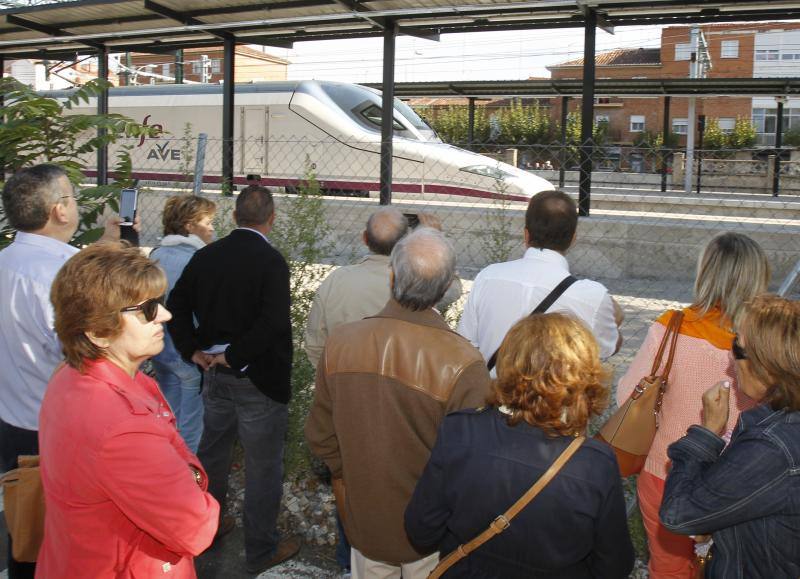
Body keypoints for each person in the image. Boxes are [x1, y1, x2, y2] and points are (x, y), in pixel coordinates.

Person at [305, 227, 491, 579]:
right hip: (433, 534)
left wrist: (347, 482)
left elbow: (320, 435)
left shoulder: (342, 343)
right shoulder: (464, 361)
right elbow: (473, 466)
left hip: (364, 523)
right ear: (447, 285)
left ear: (391, 277)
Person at [37, 242, 219, 578]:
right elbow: (197, 527)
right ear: (97, 332)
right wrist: (191, 476)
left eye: (160, 303)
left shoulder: (71, 376)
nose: (164, 315)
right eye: (147, 309)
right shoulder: (122, 427)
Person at [405, 313, 635, 578]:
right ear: (582, 378)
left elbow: (421, 530)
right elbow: (614, 565)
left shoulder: (461, 431)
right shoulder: (594, 464)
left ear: (508, 365)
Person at [616, 232, 769, 579]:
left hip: (665, 471)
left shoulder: (671, 328)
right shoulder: (767, 341)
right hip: (743, 480)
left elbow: (627, 395)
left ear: (705, 273)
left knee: (669, 569)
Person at [0, 164, 127, 578]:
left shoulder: (8, 262)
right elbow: (85, 356)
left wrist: (101, 248)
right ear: (59, 210)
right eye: (71, 197)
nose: (74, 204)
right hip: (59, 430)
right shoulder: (61, 276)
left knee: (22, 531)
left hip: (11, 419)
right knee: (66, 546)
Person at [167, 185, 301, 574]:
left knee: (212, 455)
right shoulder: (271, 261)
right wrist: (236, 355)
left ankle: (206, 532)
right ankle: (260, 549)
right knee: (263, 467)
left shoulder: (207, 256)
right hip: (257, 377)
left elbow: (175, 304)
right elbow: (273, 323)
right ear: (271, 219)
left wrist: (193, 349)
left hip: (213, 373)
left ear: (234, 217)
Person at [660, 295, 800, 578]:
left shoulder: (771, 448)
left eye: (737, 346)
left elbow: (678, 514)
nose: (730, 363)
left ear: (769, 364)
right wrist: (716, 522)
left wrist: (707, 433)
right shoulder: (780, 429)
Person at [458, 190, 623, 372]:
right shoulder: (592, 296)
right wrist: (616, 317)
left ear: (526, 235)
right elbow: (607, 348)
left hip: (494, 396)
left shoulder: (487, 277)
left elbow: (466, 342)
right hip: (555, 398)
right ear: (573, 238)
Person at [305, 207, 461, 368]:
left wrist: (334, 380)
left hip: (343, 381)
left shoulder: (335, 281)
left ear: (364, 238)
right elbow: (451, 289)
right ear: (405, 240)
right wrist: (433, 240)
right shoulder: (414, 283)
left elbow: (315, 345)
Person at [150, 195, 217, 452]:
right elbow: (201, 313)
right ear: (189, 226)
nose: (212, 228)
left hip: (159, 350)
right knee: (191, 427)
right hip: (187, 353)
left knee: (169, 417)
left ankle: (163, 467)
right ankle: (189, 479)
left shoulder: (156, 254)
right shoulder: (198, 259)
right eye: (208, 222)